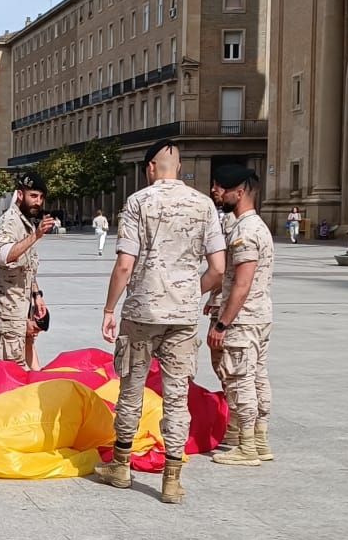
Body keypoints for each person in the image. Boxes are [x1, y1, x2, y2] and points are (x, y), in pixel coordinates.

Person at [92, 141, 223, 503]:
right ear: (178, 167)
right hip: (182, 316)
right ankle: (172, 478)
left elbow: (124, 264)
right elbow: (219, 269)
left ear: (151, 167)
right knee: (177, 395)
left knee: (132, 388)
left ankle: (121, 464)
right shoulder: (204, 204)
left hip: (141, 312)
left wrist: (108, 308)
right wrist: (188, 292)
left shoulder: (138, 202)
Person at [208, 165, 275, 467]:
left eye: (221, 187)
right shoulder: (254, 226)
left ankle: (246, 444)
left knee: (239, 378)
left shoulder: (245, 232)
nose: (215, 192)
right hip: (258, 316)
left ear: (241, 191)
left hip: (242, 319)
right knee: (257, 375)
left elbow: (242, 283)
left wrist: (223, 322)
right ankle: (257, 438)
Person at [0, 173, 54, 365]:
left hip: (18, 311)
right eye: (33, 196)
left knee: (0, 373)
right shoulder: (10, 222)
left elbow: (27, 269)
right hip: (7, 312)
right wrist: (36, 236)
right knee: (12, 374)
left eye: (41, 197)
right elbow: (5, 255)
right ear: (20, 195)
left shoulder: (25, 223)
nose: (38, 202)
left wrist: (37, 295)